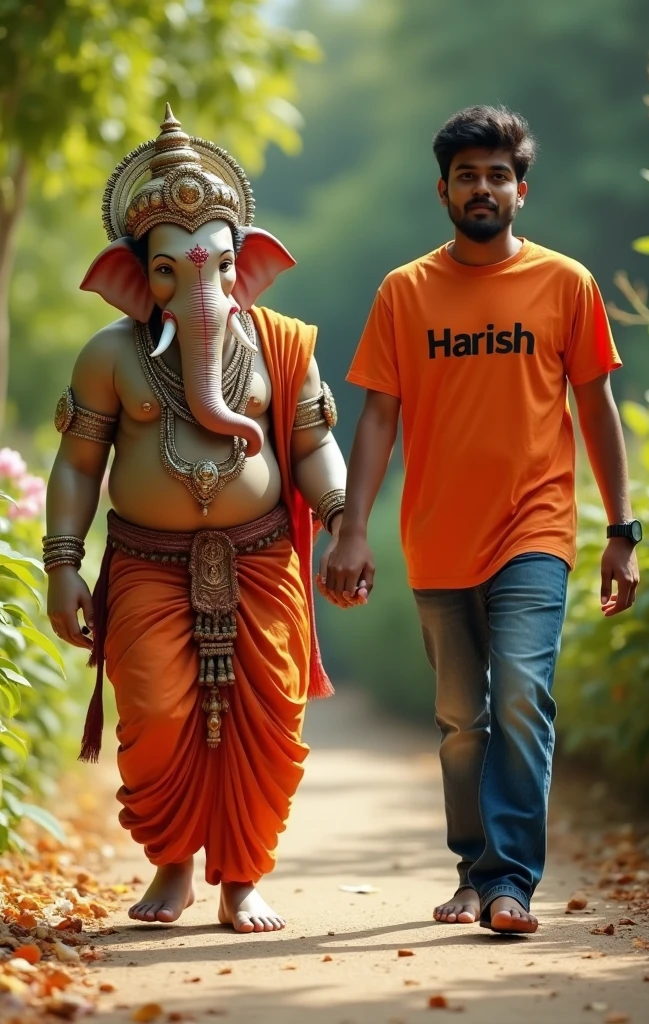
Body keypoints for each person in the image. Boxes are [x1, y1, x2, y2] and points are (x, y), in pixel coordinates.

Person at [320, 105, 641, 934]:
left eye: (498, 174)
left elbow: (597, 408)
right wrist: (352, 529)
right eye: (468, 175)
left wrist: (621, 529)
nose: (483, 187)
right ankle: (473, 869)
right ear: (444, 191)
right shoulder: (406, 291)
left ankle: (510, 883)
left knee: (525, 697)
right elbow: (378, 417)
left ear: (522, 191)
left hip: (536, 529)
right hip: (437, 537)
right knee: (463, 721)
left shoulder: (566, 285)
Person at [44, 106, 355, 934]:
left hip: (260, 560)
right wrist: (64, 563)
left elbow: (314, 445)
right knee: (152, 710)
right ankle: (173, 865)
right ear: (132, 276)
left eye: (217, 266)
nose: (200, 288)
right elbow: (78, 465)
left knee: (268, 717)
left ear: (247, 267)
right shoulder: (110, 355)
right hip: (147, 563)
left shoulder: (281, 345)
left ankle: (243, 878)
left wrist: (339, 512)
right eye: (171, 273)